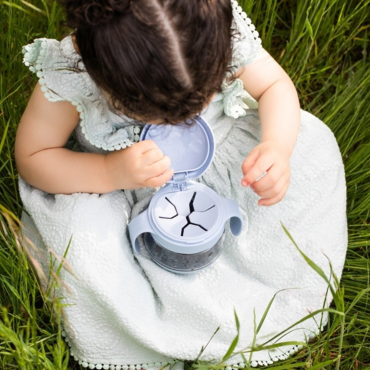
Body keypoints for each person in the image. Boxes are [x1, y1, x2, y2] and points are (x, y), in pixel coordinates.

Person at [15, 0, 347, 368]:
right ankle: (146, 329)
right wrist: (110, 171)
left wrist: (277, 148)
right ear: (96, 65)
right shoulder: (72, 71)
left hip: (225, 156)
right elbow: (34, 156)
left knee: (313, 151)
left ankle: (277, 295)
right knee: (81, 243)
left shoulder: (206, 32)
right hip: (121, 190)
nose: (181, 121)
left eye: (199, 99)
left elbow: (272, 85)